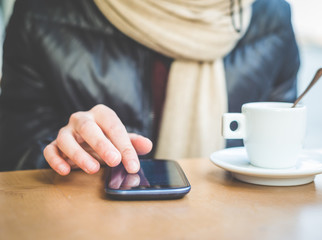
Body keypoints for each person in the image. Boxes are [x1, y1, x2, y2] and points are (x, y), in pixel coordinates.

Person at [0, 0, 300, 175]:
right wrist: (62, 157)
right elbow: (13, 158)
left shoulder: (271, 19)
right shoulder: (41, 13)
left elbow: (279, 149)